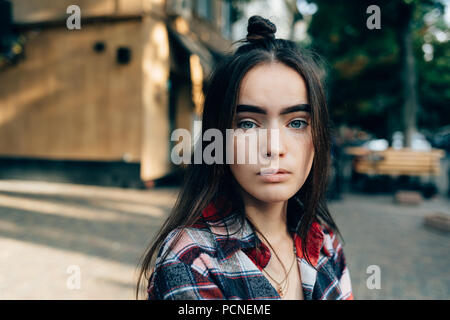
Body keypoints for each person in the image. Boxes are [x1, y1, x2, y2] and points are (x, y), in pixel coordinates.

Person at [136, 15, 353, 300]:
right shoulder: (191, 261)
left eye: (297, 122)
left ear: (319, 137)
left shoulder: (325, 244)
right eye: (248, 123)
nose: (274, 148)